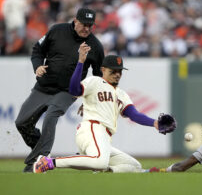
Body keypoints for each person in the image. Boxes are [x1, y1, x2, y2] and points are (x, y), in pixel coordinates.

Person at [32, 51, 175, 173]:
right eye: (113, 71)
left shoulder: (121, 94)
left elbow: (134, 114)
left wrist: (154, 123)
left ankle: (105, 171)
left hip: (104, 138)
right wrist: (80, 62)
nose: (117, 74)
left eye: (120, 71)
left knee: (134, 166)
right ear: (103, 70)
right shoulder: (94, 81)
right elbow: (74, 90)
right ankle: (48, 162)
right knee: (99, 162)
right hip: (92, 129)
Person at [15, 8, 105, 172]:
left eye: (90, 26)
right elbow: (37, 50)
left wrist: (89, 100)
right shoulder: (57, 30)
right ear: (75, 20)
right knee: (21, 122)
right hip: (43, 86)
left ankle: (38, 160)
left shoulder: (95, 46)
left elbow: (99, 77)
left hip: (68, 91)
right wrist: (37, 67)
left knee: (51, 116)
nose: (87, 28)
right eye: (84, 24)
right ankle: (39, 148)